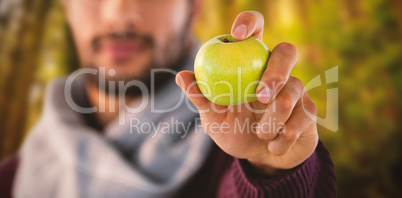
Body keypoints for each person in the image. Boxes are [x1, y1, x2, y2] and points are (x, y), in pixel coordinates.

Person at [0, 0, 336, 197]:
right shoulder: (12, 179)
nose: (120, 12)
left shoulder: (236, 154)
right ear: (67, 10)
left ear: (192, 11)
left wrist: (272, 171)